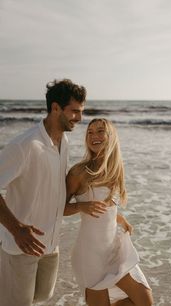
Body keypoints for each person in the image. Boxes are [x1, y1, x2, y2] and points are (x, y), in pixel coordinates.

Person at [0, 79, 107, 306]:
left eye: (81, 111)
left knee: (41, 297)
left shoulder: (64, 142)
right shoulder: (26, 145)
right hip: (21, 247)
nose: (79, 118)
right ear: (56, 107)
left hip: (50, 245)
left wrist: (80, 206)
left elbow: (55, 192)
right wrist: (17, 229)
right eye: (74, 111)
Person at [64, 118, 154, 306]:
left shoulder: (115, 169)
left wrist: (120, 219)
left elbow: (107, 209)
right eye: (90, 132)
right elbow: (57, 209)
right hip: (91, 254)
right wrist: (82, 207)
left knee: (144, 301)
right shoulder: (79, 172)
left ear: (110, 136)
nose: (94, 136)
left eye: (99, 131)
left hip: (114, 248)